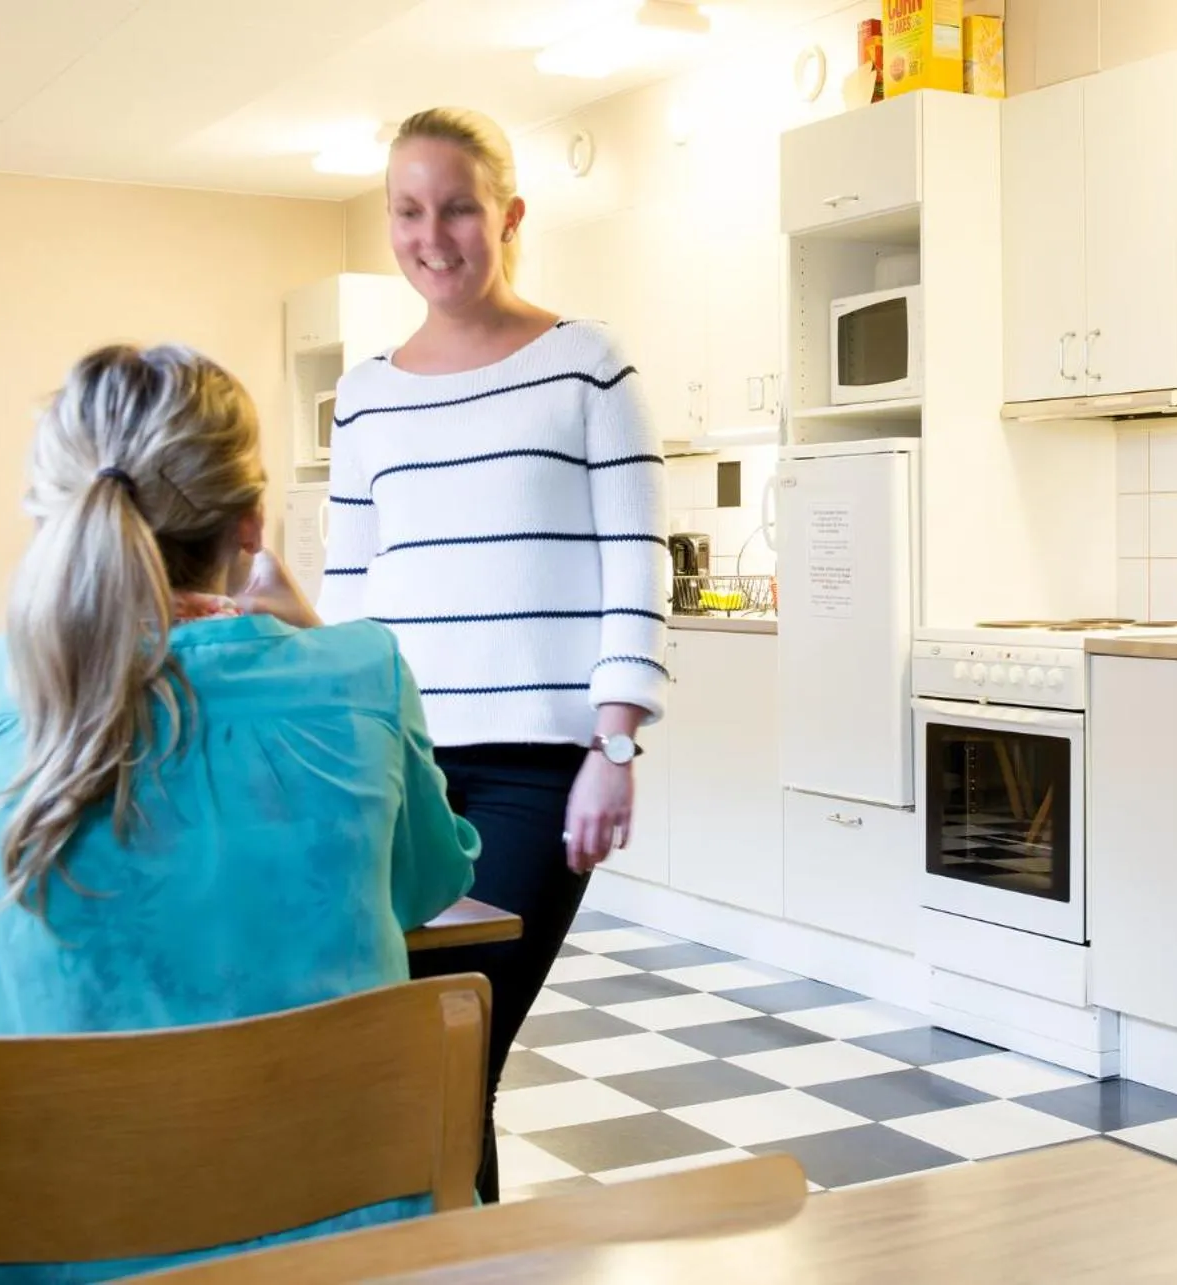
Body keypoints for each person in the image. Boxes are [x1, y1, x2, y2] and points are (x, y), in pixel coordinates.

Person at [0, 343, 482, 1281]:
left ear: (46, 515)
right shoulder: (362, 674)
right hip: (349, 1255)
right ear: (252, 525)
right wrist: (314, 643)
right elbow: (424, 883)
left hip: (31, 1258)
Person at [318, 106, 668, 1203]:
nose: (433, 236)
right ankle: (460, 1257)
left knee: (453, 1050)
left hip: (533, 772)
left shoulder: (587, 365)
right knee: (417, 1055)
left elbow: (636, 558)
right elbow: (348, 588)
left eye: (458, 208)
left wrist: (615, 744)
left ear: (509, 216)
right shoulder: (365, 395)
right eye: (408, 211)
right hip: (395, 767)